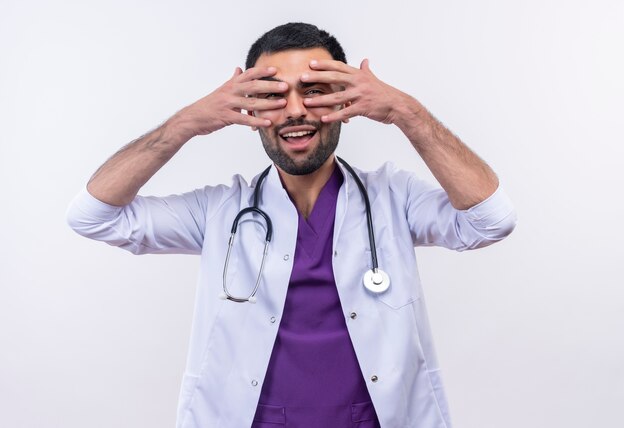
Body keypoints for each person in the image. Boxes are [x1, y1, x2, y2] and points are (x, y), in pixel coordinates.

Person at [67, 22, 516, 428]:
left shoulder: (394, 199)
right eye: (273, 95)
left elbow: (490, 221)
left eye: (314, 91)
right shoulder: (221, 212)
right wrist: (187, 123)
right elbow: (93, 216)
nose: (295, 111)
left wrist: (405, 111)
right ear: (249, 107)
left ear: (345, 101)